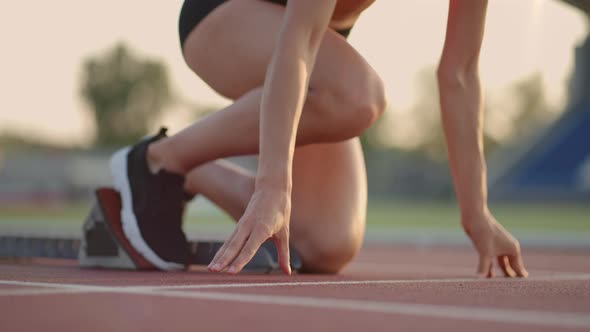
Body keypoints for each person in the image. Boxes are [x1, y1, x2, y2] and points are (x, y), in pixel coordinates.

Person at [110, 0, 528, 277]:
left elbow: (460, 72)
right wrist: (272, 183)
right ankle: (157, 160)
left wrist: (477, 215)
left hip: (318, 52)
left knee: (328, 242)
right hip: (226, 14)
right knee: (358, 95)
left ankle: (194, 171)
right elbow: (298, 46)